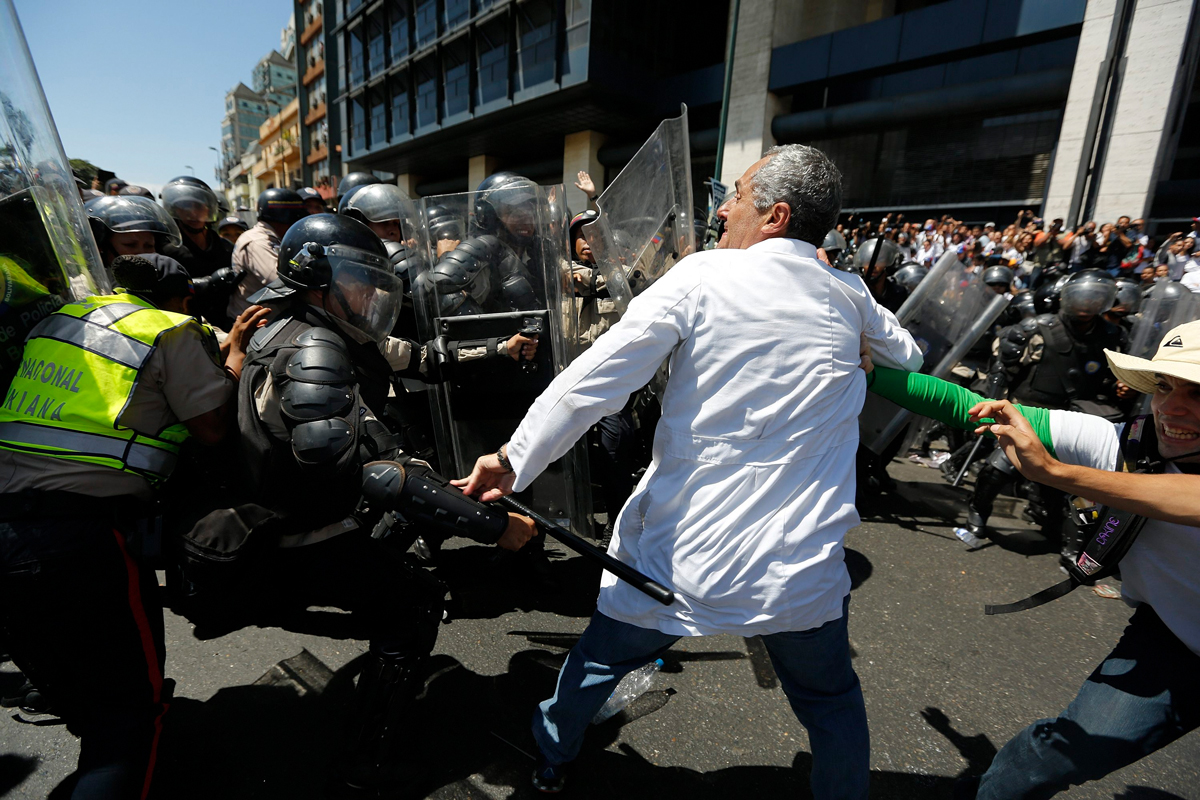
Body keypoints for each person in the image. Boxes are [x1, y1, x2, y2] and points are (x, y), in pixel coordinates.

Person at [455, 144, 922, 797]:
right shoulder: (849, 294)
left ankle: (550, 761)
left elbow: (595, 381)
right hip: (799, 572)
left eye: (737, 195)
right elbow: (908, 353)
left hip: (680, 558)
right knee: (830, 700)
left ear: (776, 215)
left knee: (595, 663)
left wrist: (511, 459)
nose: (723, 209)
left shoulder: (703, 276)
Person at [218, 212, 538, 793]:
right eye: (358, 277)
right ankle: (368, 759)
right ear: (317, 277)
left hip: (284, 505)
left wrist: (498, 347)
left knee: (411, 551)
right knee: (414, 604)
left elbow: (423, 359)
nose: (371, 292)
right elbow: (356, 473)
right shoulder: (316, 346)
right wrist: (493, 525)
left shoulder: (301, 324)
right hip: (304, 526)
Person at [863, 321, 1200, 800]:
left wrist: (1058, 473)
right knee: (1052, 756)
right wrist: (867, 372)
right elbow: (979, 410)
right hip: (1173, 642)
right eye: (1163, 386)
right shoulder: (1126, 442)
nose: (1171, 407)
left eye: (1198, 393)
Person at [0, 253, 265, 799]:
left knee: (74, 693)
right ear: (185, 299)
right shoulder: (170, 328)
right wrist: (233, 355)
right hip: (81, 541)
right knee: (125, 721)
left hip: (7, 534)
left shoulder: (62, 321)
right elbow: (212, 428)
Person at [961, 269, 1128, 551]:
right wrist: (995, 408)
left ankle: (1066, 536)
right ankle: (979, 509)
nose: (1088, 304)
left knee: (1074, 483)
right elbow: (1003, 372)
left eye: (1096, 297)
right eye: (1083, 296)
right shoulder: (1034, 330)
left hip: (1078, 418)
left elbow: (1112, 377)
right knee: (998, 469)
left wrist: (1120, 387)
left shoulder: (1113, 335)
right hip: (1031, 413)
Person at [226, 188, 306, 319]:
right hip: (252, 327)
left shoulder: (275, 237)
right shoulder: (257, 241)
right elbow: (282, 282)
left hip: (268, 321)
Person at [86, 195, 184, 268]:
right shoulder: (84, 288)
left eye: (149, 246)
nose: (142, 254)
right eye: (130, 245)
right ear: (101, 248)